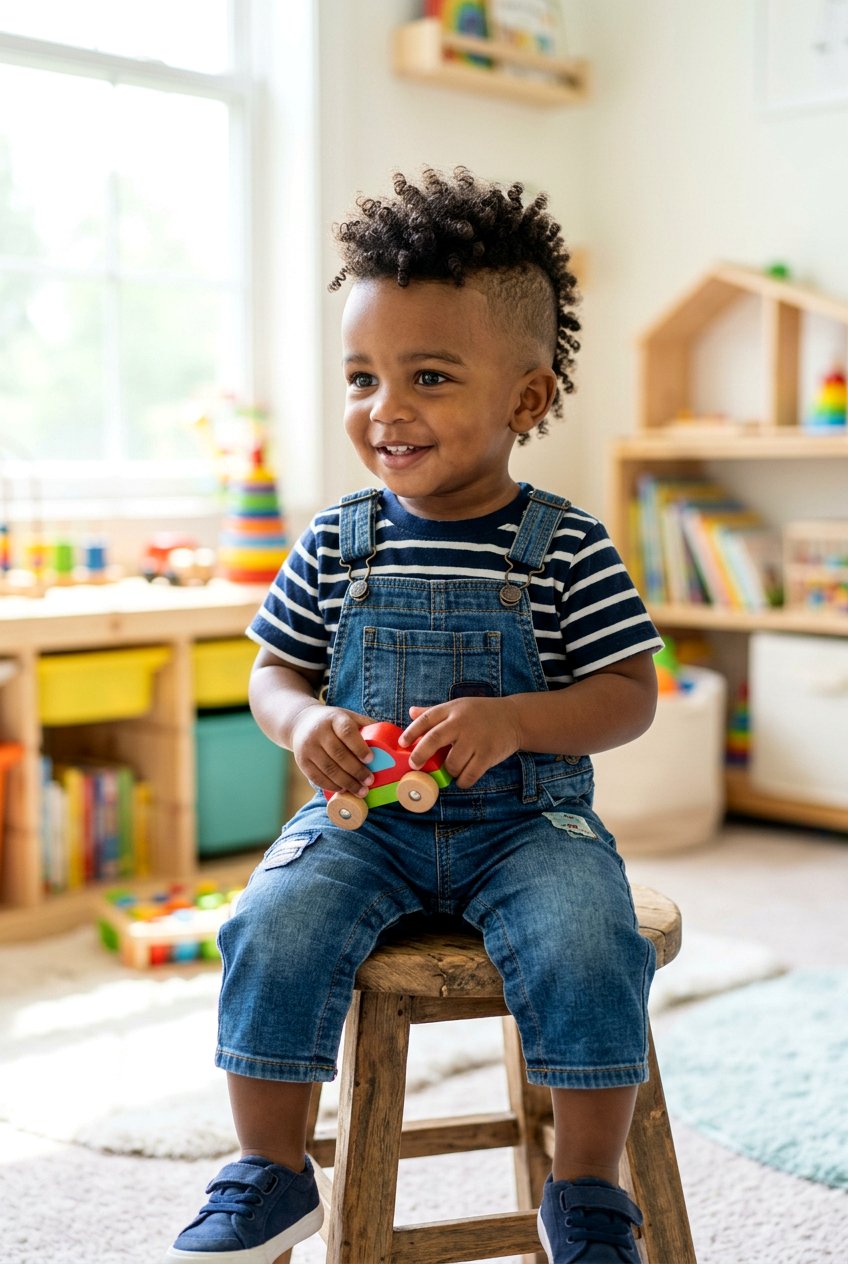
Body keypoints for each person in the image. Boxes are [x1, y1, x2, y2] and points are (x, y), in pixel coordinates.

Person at [166, 166, 663, 1264]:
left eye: (427, 376)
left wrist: (519, 722)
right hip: (365, 825)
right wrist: (301, 727)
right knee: (268, 922)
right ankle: (269, 1168)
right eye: (360, 375)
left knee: (591, 940)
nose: (383, 409)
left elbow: (631, 694)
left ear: (524, 401)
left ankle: (585, 1190)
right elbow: (272, 673)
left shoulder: (564, 544)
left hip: (527, 829)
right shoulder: (335, 538)